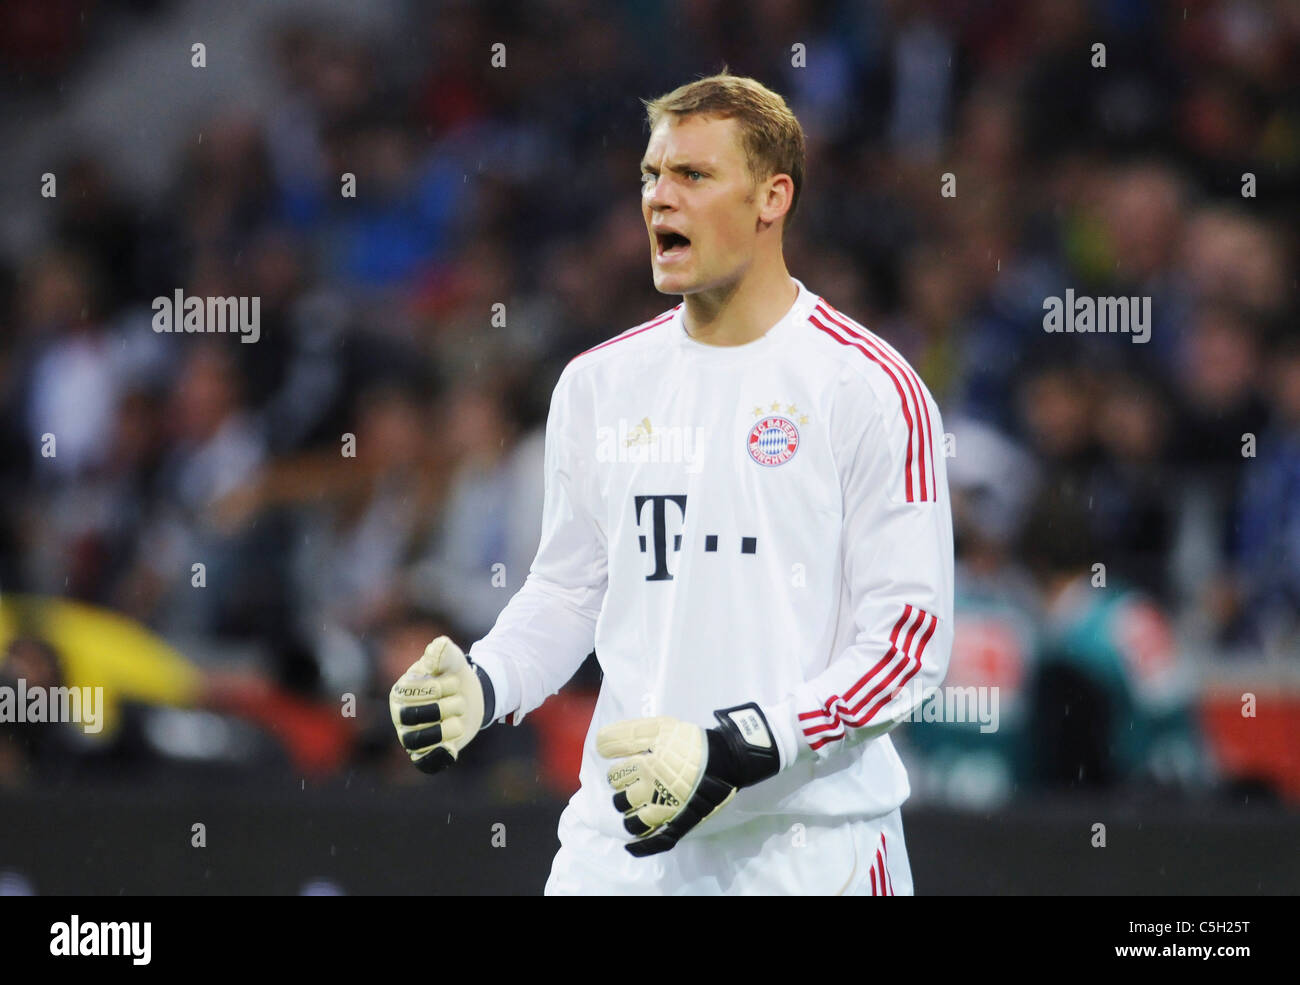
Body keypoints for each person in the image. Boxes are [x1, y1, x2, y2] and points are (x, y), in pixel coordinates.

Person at [389, 70, 954, 895]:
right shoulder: (598, 384)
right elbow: (570, 591)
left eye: (693, 175)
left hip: (808, 849)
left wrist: (740, 747)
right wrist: (487, 680)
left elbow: (907, 644)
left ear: (772, 197)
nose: (660, 199)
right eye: (652, 176)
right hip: (618, 849)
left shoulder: (866, 386)